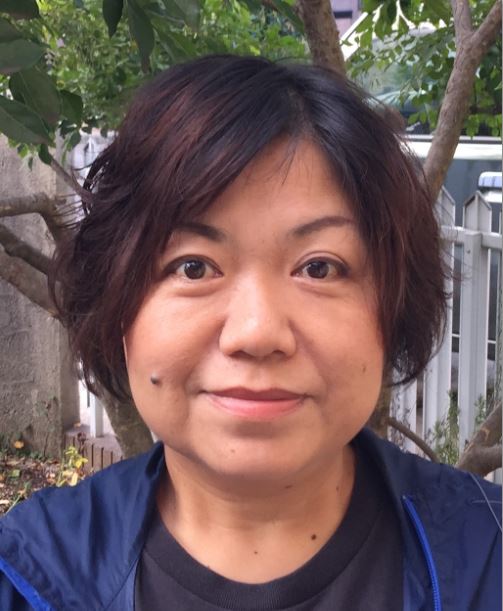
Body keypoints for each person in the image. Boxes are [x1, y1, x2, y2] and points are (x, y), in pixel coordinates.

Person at [0, 55, 500, 611]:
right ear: (119, 307)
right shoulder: (27, 577)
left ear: (393, 306)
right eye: (193, 267)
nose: (257, 333)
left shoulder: (488, 558)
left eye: (319, 268)